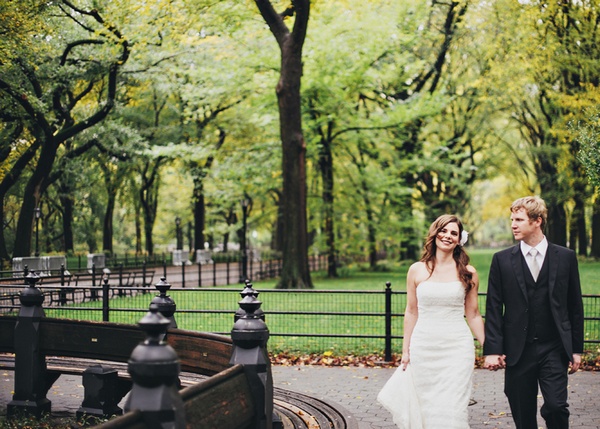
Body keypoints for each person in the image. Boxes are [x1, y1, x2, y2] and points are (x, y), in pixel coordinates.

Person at [483, 196, 584, 429]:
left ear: (537, 221)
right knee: (523, 415)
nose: (513, 225)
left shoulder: (566, 257)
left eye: (519, 219)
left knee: (557, 407)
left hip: (554, 347)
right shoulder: (501, 260)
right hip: (518, 350)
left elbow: (574, 307)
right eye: (512, 219)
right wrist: (494, 350)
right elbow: (494, 308)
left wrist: (576, 349)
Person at [378, 214, 485, 428]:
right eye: (443, 230)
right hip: (424, 347)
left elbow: (473, 314)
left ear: (459, 240)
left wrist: (489, 346)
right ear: (434, 233)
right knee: (426, 406)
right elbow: (411, 311)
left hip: (457, 348)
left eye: (453, 233)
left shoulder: (468, 273)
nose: (447, 236)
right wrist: (406, 350)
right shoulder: (416, 270)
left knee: (453, 406)